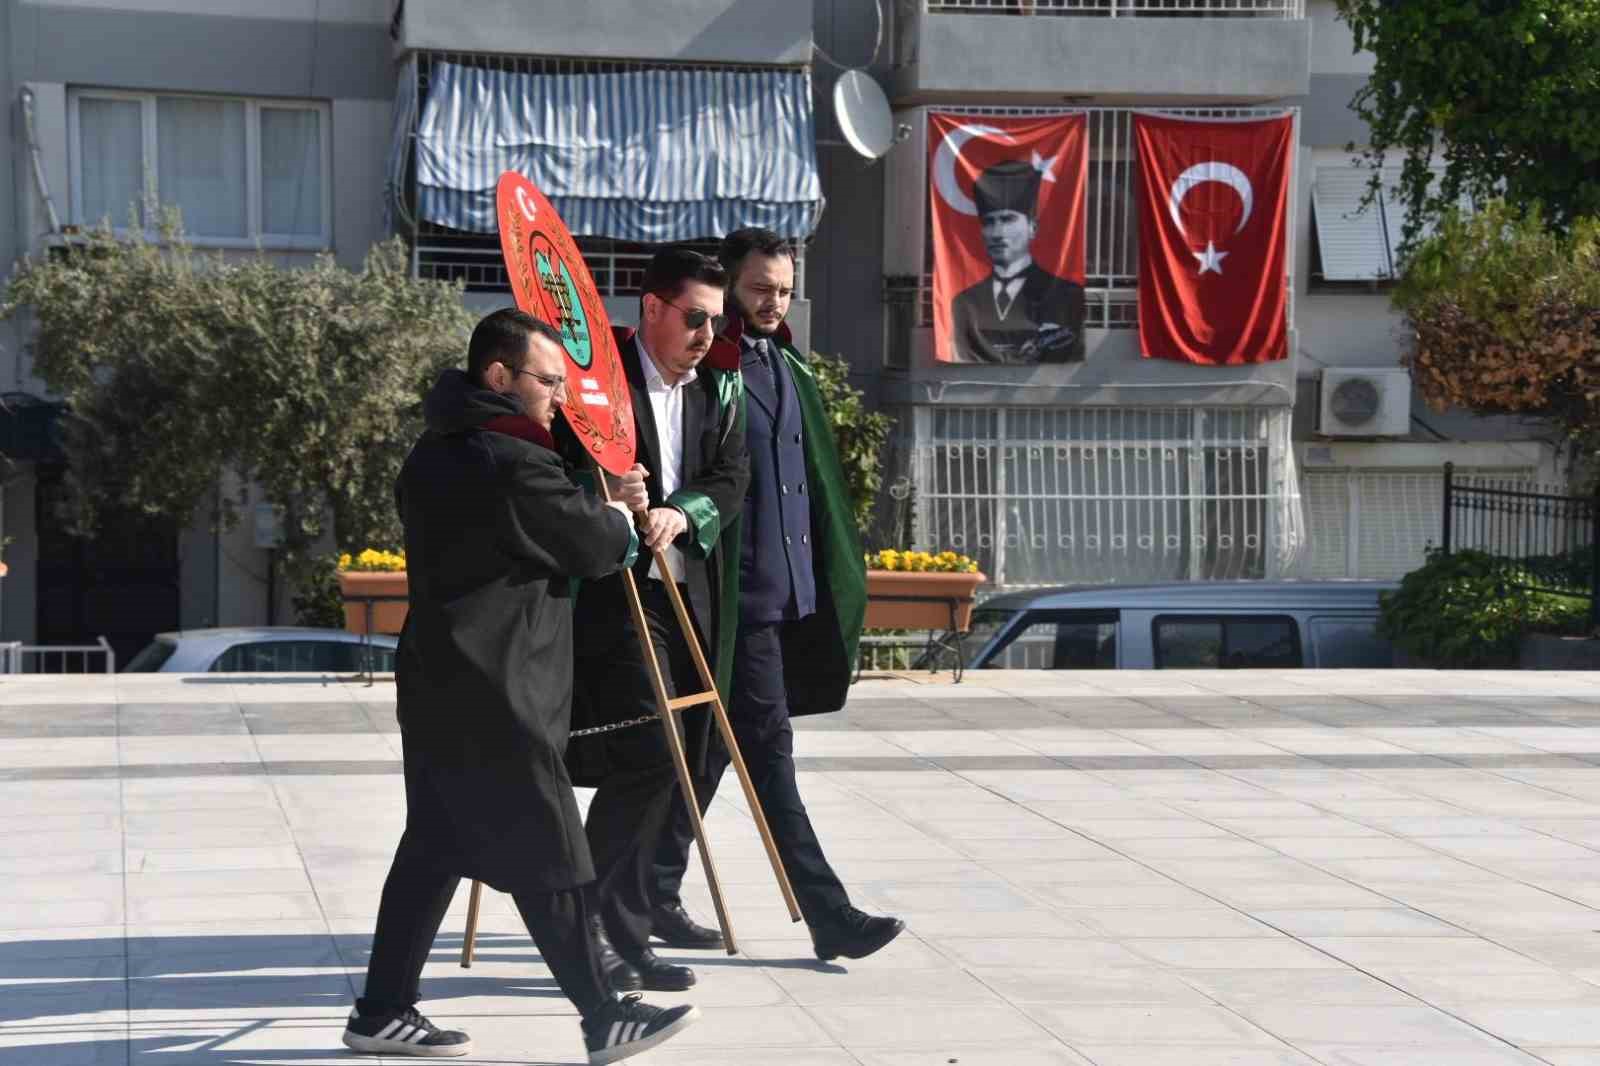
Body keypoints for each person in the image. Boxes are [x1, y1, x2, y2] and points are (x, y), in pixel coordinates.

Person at [343, 308, 697, 1064]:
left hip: (442, 678)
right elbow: (593, 544)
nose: (558, 398)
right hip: (496, 688)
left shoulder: (435, 449)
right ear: (499, 377)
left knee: (434, 847)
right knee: (550, 847)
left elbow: (531, 525)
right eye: (547, 381)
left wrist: (589, 498)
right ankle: (604, 1012)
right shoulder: (511, 459)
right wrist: (615, 511)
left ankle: (381, 1010)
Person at [648, 227, 906, 961]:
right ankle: (829, 914)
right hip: (734, 601)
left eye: (785, 290)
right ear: (728, 283)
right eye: (761, 288)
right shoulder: (707, 369)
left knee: (709, 756)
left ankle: (646, 889)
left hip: (788, 598)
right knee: (769, 753)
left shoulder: (786, 363)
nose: (773, 302)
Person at [564, 248, 748, 993]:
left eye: (716, 320)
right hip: (613, 600)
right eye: (696, 318)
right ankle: (600, 929)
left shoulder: (721, 391)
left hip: (690, 596)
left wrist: (680, 510)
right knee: (651, 750)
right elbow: (553, 471)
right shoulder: (594, 382)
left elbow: (731, 479)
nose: (708, 334)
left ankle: (613, 922)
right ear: (651, 309)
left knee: (690, 755)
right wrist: (606, 486)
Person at [950, 159, 1087, 364]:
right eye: (989, 222)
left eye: (1008, 219)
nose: (997, 233)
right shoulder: (963, 302)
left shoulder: (1066, 295)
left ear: (1032, 228)